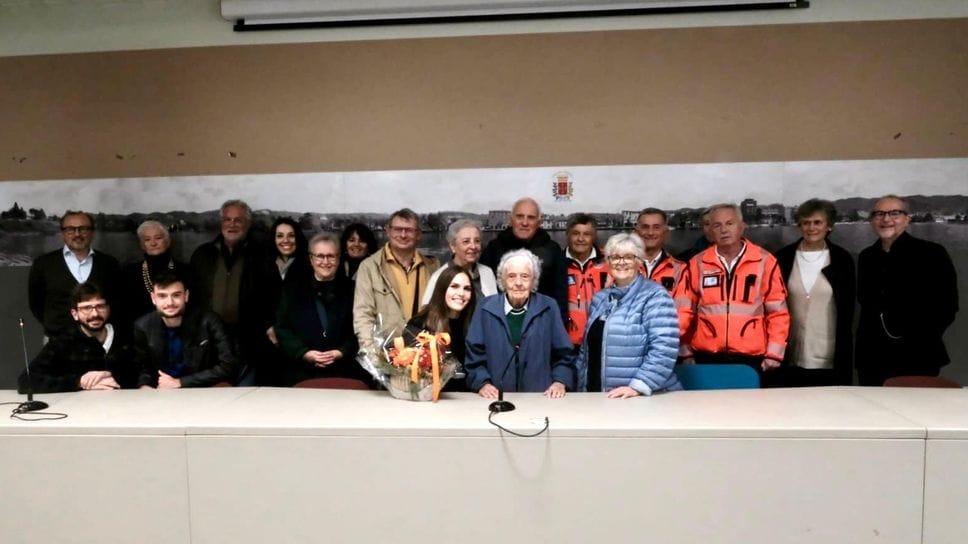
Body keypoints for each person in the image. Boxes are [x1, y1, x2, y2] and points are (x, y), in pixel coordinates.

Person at [674, 203, 789, 378]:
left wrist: (774, 353)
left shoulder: (765, 261)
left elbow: (778, 313)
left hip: (752, 358)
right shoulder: (697, 263)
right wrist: (685, 351)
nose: (724, 230)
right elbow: (683, 311)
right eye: (717, 225)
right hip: (706, 356)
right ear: (710, 231)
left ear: (742, 226)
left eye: (730, 223)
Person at [856, 195, 959, 386]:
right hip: (872, 357)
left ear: (907, 219)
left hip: (918, 356)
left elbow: (948, 306)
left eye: (894, 213)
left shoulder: (932, 253)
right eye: (879, 214)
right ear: (872, 220)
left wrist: (920, 339)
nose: (886, 219)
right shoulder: (867, 257)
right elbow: (866, 302)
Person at [577, 234, 680, 397]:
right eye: (615, 257)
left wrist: (638, 387)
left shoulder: (655, 296)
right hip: (599, 398)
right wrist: (581, 388)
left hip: (641, 398)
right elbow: (586, 351)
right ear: (608, 262)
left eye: (628, 257)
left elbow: (664, 348)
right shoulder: (600, 299)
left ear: (639, 261)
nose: (621, 262)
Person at [465, 249, 576, 398]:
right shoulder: (486, 307)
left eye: (525, 276)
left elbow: (564, 354)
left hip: (540, 396)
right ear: (502, 280)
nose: (518, 283)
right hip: (495, 398)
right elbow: (474, 354)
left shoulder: (548, 306)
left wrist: (559, 381)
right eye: (511, 276)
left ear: (533, 280)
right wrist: (482, 383)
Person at [775, 199, 855, 386]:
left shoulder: (842, 260)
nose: (811, 227)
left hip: (829, 357)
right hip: (789, 356)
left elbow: (848, 311)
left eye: (817, 222)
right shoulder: (783, 258)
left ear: (829, 226)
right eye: (805, 222)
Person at [189, 199, 270, 385]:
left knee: (246, 397)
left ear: (248, 224)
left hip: (249, 341)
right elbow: (192, 296)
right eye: (227, 219)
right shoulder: (203, 254)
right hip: (209, 341)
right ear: (221, 223)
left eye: (238, 220)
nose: (232, 224)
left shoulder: (261, 255)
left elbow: (272, 297)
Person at [274, 233, 367, 387]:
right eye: (320, 256)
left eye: (331, 256)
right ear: (311, 259)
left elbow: (362, 327)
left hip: (345, 372)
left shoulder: (353, 290)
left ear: (338, 258)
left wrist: (342, 351)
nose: (325, 261)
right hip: (301, 374)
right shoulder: (292, 290)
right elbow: (282, 328)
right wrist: (303, 353)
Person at [18, 282, 138, 394]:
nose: (95, 314)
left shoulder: (127, 337)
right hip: (80, 410)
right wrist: (78, 382)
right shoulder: (64, 342)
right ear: (75, 314)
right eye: (86, 308)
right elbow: (25, 380)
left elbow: (145, 373)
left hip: (125, 407)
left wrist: (112, 376)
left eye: (100, 306)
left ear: (108, 309)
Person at [353, 208, 439, 354]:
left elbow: (439, 313)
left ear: (418, 234)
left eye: (409, 230)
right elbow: (363, 315)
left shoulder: (432, 266)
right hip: (385, 356)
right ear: (388, 231)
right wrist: (372, 357)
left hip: (424, 355)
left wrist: (437, 350)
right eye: (398, 229)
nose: (403, 235)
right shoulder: (369, 267)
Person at [133, 272, 240, 388]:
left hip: (204, 387)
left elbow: (228, 365)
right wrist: (144, 385)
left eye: (176, 295)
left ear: (186, 295)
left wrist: (181, 382)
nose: (170, 303)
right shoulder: (143, 326)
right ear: (153, 298)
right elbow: (141, 367)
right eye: (162, 296)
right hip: (163, 389)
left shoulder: (209, 320)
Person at [28, 210, 120, 337]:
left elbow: (117, 300)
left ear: (92, 233)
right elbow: (36, 303)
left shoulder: (109, 264)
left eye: (83, 229)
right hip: (57, 340)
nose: (77, 234)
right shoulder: (43, 264)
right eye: (70, 229)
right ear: (62, 233)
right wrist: (54, 325)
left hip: (100, 339)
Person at [480, 197, 568, 321]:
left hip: (541, 323)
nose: (525, 222)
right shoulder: (494, 248)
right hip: (501, 322)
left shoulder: (553, 250)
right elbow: (483, 291)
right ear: (511, 220)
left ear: (539, 222)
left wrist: (559, 326)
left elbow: (561, 295)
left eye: (531, 217)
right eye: (519, 216)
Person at [408, 266, 477, 392]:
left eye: (467, 288)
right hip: (430, 398)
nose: (461, 293)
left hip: (468, 400)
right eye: (454, 286)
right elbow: (407, 369)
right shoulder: (420, 323)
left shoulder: (476, 324)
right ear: (442, 289)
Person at [119, 219, 189, 326]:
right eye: (147, 239)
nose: (153, 243)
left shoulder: (184, 270)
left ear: (168, 241)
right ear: (142, 245)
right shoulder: (129, 273)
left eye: (158, 238)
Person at [422, 219, 497, 306]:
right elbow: (428, 314)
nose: (473, 246)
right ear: (453, 246)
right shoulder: (439, 276)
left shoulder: (487, 272)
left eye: (477, 241)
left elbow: (494, 309)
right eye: (466, 241)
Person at [562, 213, 609, 349]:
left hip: (603, 342)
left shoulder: (610, 262)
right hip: (569, 344)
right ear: (568, 235)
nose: (581, 239)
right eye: (575, 233)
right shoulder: (557, 264)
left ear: (594, 236)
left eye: (587, 234)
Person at [635, 208, 684, 294]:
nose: (650, 233)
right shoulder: (617, 266)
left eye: (656, 227)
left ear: (666, 233)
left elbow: (683, 306)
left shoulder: (680, 270)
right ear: (636, 233)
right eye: (645, 227)